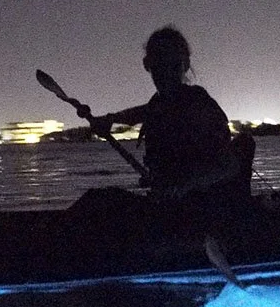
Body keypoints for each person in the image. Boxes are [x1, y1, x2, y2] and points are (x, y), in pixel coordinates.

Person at [89, 26, 248, 203]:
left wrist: (185, 186)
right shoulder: (158, 105)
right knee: (98, 199)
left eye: (173, 65)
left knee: (98, 202)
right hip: (166, 205)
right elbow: (140, 113)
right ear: (147, 65)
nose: (165, 73)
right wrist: (111, 119)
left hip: (199, 210)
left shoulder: (199, 104)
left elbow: (229, 165)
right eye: (158, 65)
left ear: (185, 65)